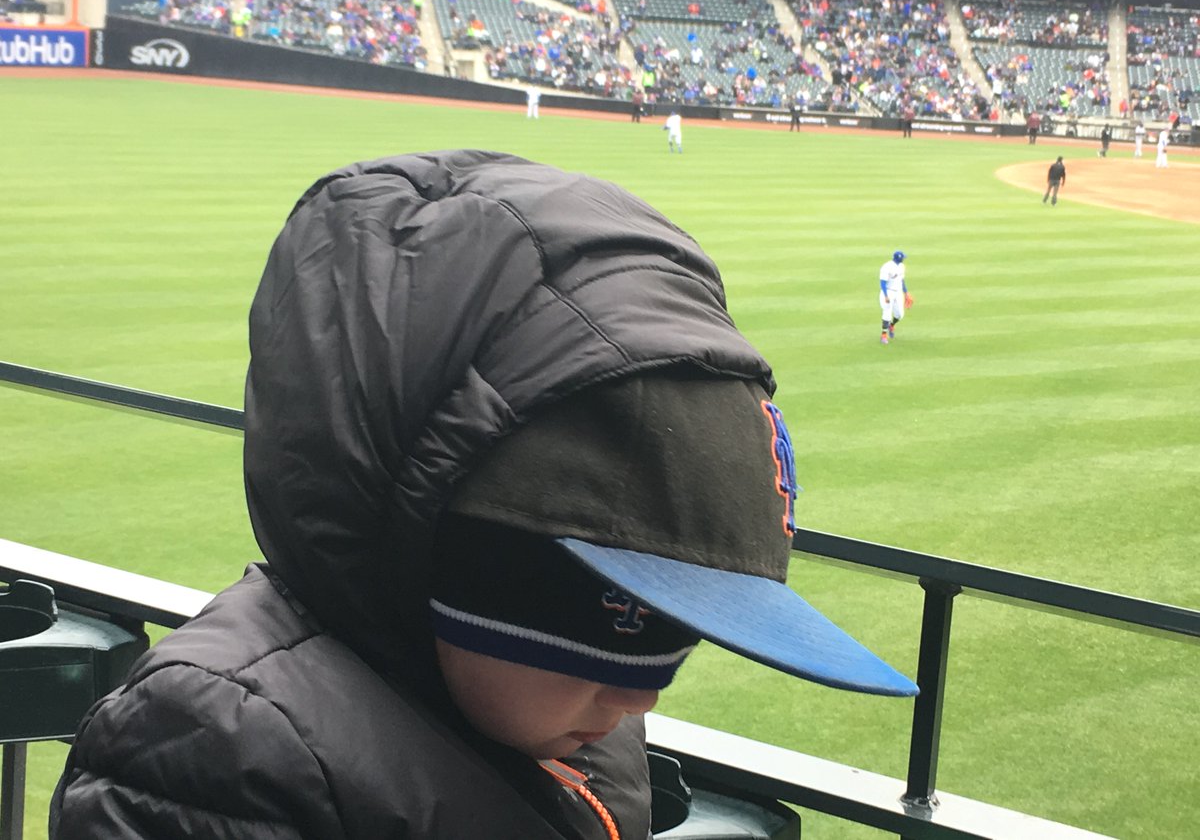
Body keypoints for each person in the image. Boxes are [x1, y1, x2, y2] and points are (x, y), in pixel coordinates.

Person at [49, 151, 916, 839]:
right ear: (440, 539)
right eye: (618, 615)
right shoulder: (208, 748)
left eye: (680, 632)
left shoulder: (556, 715)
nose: (641, 696)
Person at [879, 250, 911, 345]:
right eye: (903, 258)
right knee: (887, 313)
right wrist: (885, 295)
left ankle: (891, 325)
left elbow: (901, 280)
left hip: (898, 292)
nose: (904, 259)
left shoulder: (902, 266)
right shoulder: (886, 267)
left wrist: (906, 293)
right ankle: (884, 335)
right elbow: (882, 282)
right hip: (888, 292)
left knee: (900, 315)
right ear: (899, 258)